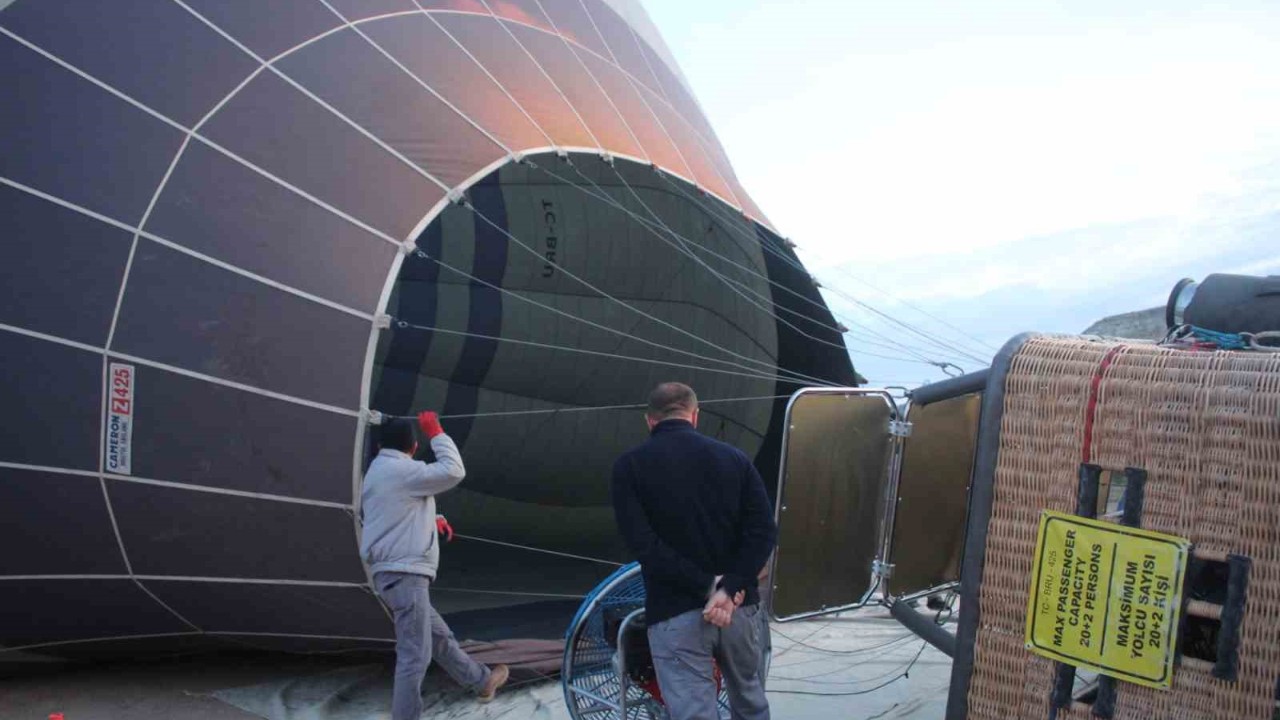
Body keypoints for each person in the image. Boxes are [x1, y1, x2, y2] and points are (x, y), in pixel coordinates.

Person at [611, 382, 777, 720]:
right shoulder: (735, 459)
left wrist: (707, 586)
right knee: (750, 700)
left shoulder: (628, 467)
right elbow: (763, 532)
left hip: (675, 614)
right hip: (738, 609)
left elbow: (644, 545)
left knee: (693, 713)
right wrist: (729, 589)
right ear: (695, 415)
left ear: (649, 421)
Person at [360, 412, 509, 720]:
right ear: (414, 447)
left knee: (440, 639)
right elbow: (454, 471)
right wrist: (437, 432)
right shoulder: (405, 471)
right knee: (415, 655)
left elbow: (394, 510)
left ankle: (481, 681)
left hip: (392, 576)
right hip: (405, 575)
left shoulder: (378, 470)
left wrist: (432, 519)